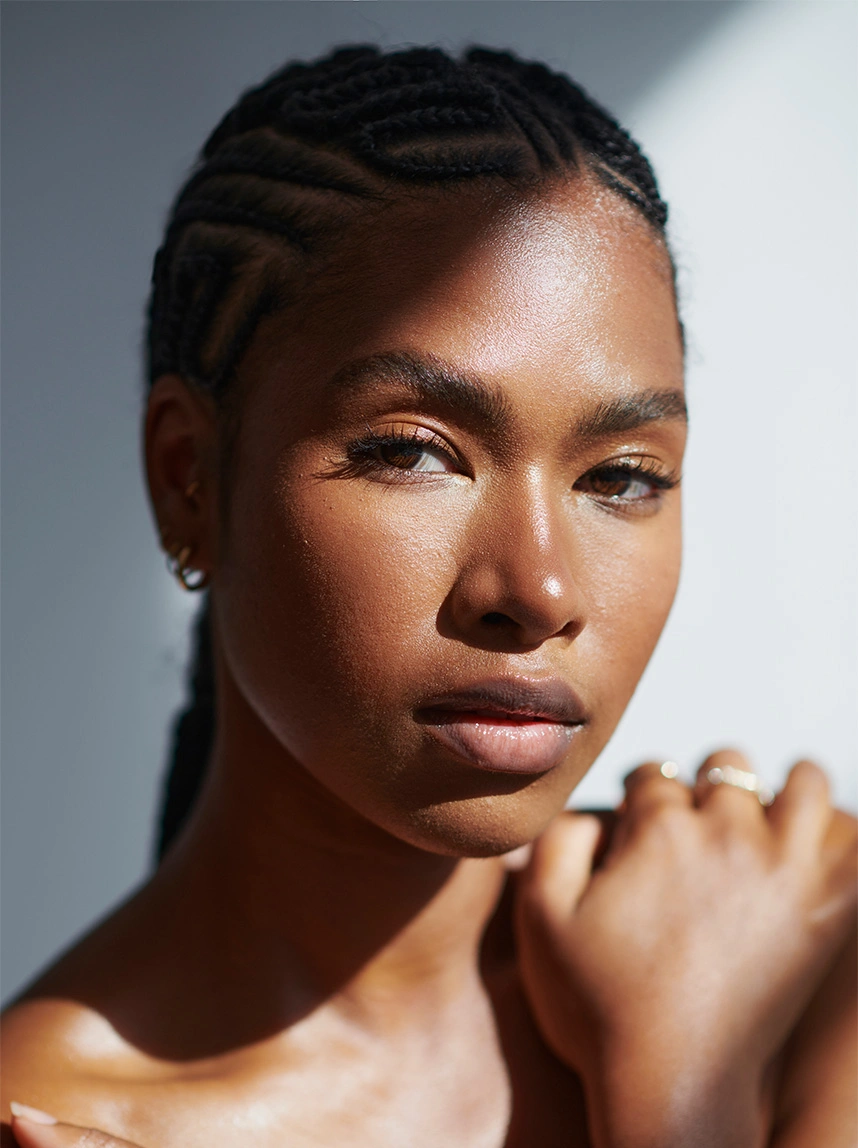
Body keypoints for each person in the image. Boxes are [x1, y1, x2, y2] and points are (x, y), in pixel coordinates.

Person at [1, 45, 855, 1148]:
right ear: (189, 477)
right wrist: (686, 1092)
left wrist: (693, 1056)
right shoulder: (48, 1120)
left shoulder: (795, 940)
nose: (538, 590)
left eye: (622, 476)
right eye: (414, 452)